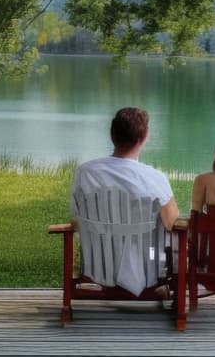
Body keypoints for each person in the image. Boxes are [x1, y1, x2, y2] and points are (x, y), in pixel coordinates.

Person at [70, 106, 179, 295]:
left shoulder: (85, 173)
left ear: (112, 136)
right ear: (143, 138)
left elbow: (75, 221)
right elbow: (173, 224)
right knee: (170, 239)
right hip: (149, 264)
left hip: (99, 262)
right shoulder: (154, 178)